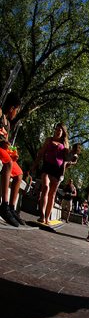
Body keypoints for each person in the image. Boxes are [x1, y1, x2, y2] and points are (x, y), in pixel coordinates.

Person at [31, 122, 70, 224]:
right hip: (47, 166)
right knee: (45, 188)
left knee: (52, 194)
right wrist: (34, 166)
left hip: (58, 170)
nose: (57, 131)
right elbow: (41, 153)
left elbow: (66, 161)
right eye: (56, 129)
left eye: (60, 130)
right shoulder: (49, 140)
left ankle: (47, 218)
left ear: (63, 132)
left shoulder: (65, 144)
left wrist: (63, 173)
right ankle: (42, 215)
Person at [0, 93, 25, 227]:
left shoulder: (8, 124)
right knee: (8, 163)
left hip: (3, 151)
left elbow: (6, 142)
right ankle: (4, 205)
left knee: (19, 174)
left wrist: (12, 151)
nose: (16, 113)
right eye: (17, 110)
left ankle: (11, 207)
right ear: (11, 108)